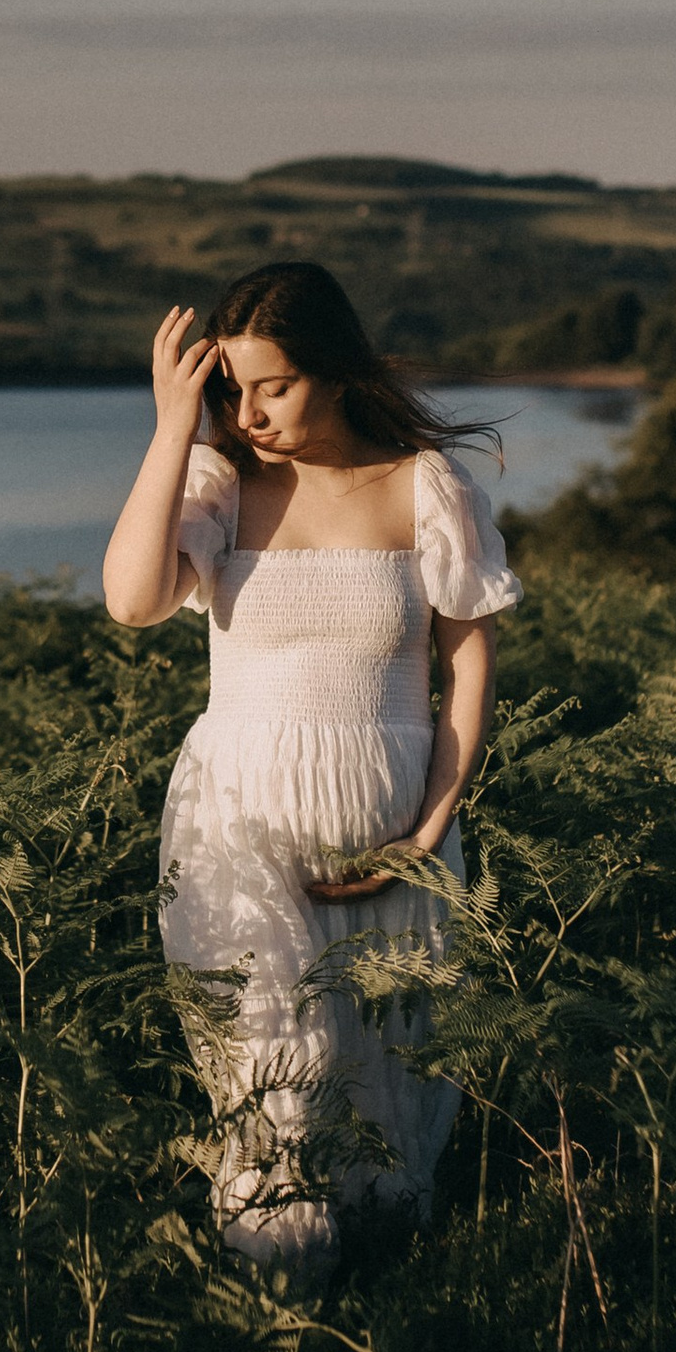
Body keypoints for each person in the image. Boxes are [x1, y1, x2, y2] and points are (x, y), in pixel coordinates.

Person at [101, 260, 521, 1273]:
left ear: (333, 370)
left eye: (272, 385)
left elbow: (466, 663)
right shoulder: (217, 485)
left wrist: (426, 833)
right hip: (239, 825)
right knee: (274, 1070)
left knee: (385, 1079)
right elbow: (130, 600)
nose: (247, 412)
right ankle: (270, 1305)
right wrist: (170, 431)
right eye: (229, 389)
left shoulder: (423, 484)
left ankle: (378, 1308)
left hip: (390, 827)